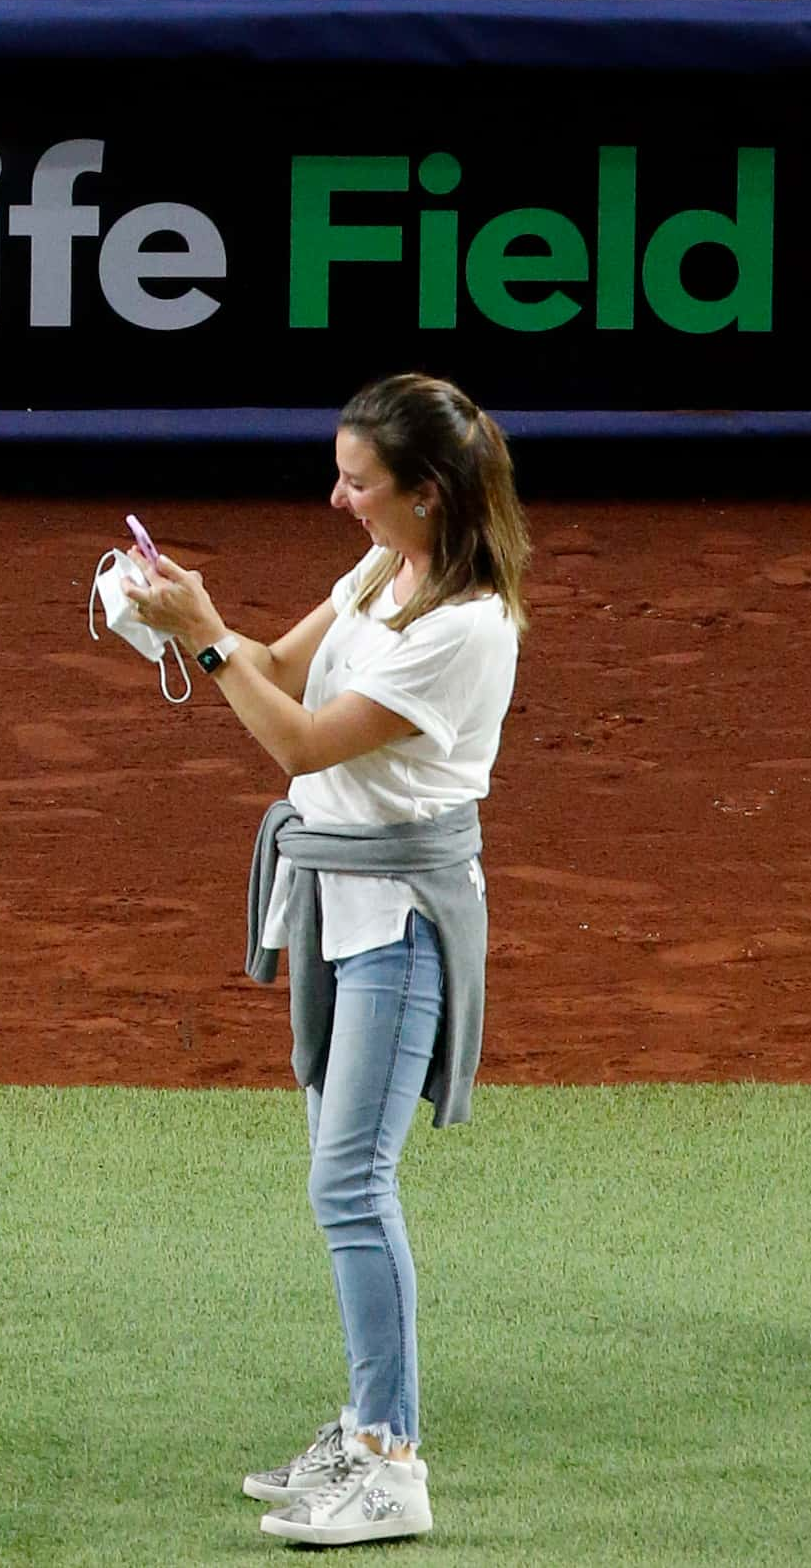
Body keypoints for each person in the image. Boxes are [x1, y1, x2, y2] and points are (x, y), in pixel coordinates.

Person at [122, 374, 530, 1548]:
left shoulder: (463, 626)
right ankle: (359, 1424)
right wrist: (175, 621)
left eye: (359, 481)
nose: (337, 496)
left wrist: (202, 644)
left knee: (349, 1185)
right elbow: (281, 666)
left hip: (401, 917)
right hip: (333, 898)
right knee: (336, 1175)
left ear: (428, 493)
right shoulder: (380, 570)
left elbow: (295, 735)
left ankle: (391, 1460)